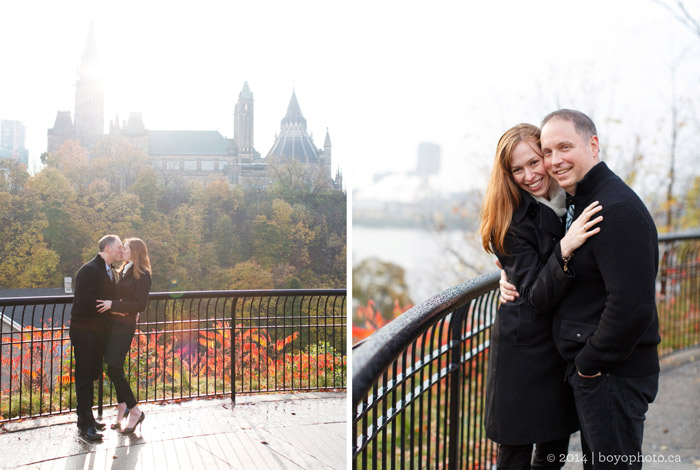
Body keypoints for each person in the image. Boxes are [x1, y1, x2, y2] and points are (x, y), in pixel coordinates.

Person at [502, 110, 660, 469]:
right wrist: (506, 270)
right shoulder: (580, 201)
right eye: (548, 151)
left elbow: (631, 308)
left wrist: (587, 366)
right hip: (599, 374)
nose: (554, 160)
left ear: (593, 145)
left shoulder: (614, 209)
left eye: (564, 147)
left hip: (611, 374)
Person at [479, 123, 603, 469]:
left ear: (547, 155)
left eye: (535, 162)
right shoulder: (510, 219)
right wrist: (563, 247)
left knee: (553, 452)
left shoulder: (575, 196)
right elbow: (534, 293)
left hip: (562, 343)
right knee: (516, 452)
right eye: (517, 169)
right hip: (524, 347)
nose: (529, 175)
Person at [69, 235, 123, 441]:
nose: (121, 250)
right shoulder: (89, 270)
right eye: (119, 247)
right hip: (85, 332)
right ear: (108, 249)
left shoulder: (111, 272)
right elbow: (83, 301)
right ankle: (84, 424)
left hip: (99, 332)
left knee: (92, 373)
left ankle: (89, 418)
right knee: (84, 376)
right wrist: (109, 306)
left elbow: (109, 300)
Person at [97, 237, 151, 434]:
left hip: (124, 326)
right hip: (115, 324)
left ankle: (134, 410)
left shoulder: (142, 275)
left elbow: (140, 304)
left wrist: (115, 305)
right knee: (113, 367)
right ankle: (123, 407)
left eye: (125, 248)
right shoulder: (126, 270)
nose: (122, 251)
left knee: (114, 369)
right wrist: (116, 307)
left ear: (134, 251)